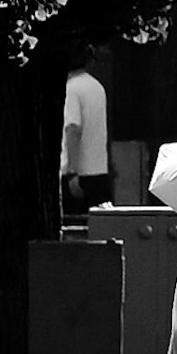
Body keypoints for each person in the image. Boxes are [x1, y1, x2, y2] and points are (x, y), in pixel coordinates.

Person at [57, 48, 112, 225]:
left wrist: (72, 172)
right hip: (99, 171)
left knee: (72, 231)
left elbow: (72, 128)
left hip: (77, 175)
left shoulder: (71, 88)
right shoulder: (97, 87)